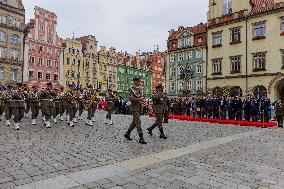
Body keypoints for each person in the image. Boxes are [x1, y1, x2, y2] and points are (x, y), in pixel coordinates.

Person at [124, 77, 147, 144]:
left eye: (140, 81)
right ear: (135, 82)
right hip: (134, 108)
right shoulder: (131, 89)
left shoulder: (140, 89)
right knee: (138, 122)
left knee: (134, 122)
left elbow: (142, 96)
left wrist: (142, 98)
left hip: (139, 108)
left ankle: (127, 133)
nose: (140, 82)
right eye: (138, 81)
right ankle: (141, 137)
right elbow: (130, 98)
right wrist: (139, 99)